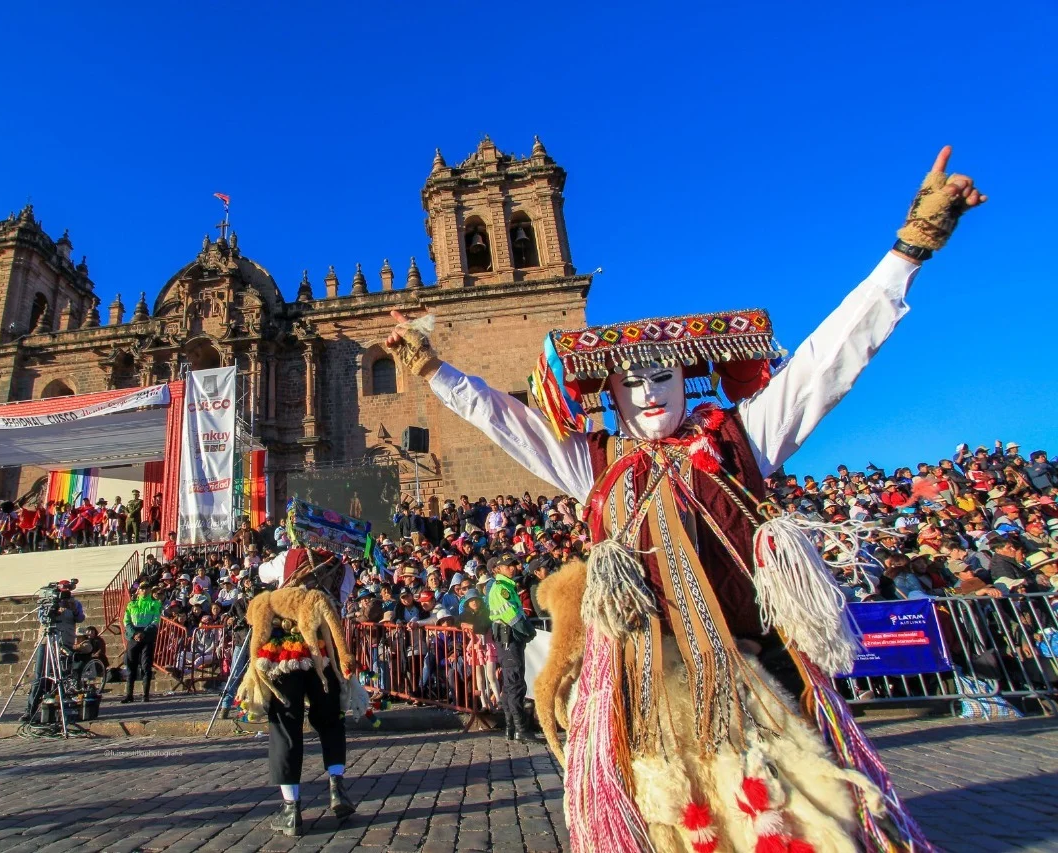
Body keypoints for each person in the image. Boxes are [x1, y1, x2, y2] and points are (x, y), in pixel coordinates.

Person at [386, 145, 985, 851]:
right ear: (605, 391)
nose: (648, 393)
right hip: (650, 698)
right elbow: (506, 421)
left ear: (689, 378)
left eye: (663, 376)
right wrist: (434, 370)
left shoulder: (742, 439)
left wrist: (909, 250)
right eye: (630, 383)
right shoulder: (596, 463)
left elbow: (830, 358)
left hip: (752, 680)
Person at [235, 584, 358, 838]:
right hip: (320, 656)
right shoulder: (334, 576)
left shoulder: (271, 588)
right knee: (331, 720)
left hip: (281, 659)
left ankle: (291, 809)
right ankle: (337, 787)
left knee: (285, 728)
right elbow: (337, 613)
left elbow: (259, 631)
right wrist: (345, 658)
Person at [486, 553, 538, 741]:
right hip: (508, 637)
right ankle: (521, 729)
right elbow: (513, 616)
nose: (513, 568)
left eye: (514, 564)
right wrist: (528, 630)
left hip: (510, 638)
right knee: (514, 683)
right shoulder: (500, 589)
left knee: (510, 685)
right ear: (498, 569)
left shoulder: (507, 586)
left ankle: (511, 728)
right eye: (508, 565)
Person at [22, 580, 86, 722]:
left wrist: (73, 609)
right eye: (62, 594)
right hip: (47, 641)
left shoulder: (75, 603)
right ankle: (30, 709)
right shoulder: (47, 602)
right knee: (40, 677)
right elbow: (43, 619)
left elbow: (81, 618)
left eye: (67, 594)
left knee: (62, 677)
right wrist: (54, 611)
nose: (64, 598)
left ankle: (60, 710)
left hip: (65, 641)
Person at [123, 585, 162, 703]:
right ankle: (129, 695)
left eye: (147, 588)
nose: (145, 591)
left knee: (146, 666)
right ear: (138, 591)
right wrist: (134, 633)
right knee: (130, 666)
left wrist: (144, 633)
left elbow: (156, 620)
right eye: (142, 589)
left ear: (150, 590)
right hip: (133, 636)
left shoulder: (155, 604)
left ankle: (145, 695)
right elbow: (126, 621)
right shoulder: (131, 604)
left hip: (147, 636)